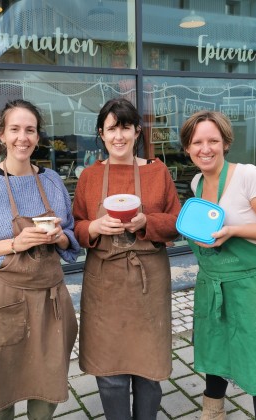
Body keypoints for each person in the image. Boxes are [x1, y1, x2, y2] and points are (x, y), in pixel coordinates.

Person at [0, 99, 80, 420]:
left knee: (46, 387)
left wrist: (59, 237)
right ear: (2, 135)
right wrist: (15, 243)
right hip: (0, 299)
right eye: (15, 129)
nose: (23, 137)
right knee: (2, 388)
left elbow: (72, 238)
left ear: (38, 137)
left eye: (30, 130)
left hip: (50, 300)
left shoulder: (52, 181)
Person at [179, 110, 256, 420]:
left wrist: (234, 230)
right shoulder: (196, 183)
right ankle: (213, 411)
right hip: (214, 284)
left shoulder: (248, 176)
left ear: (226, 143)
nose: (205, 149)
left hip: (254, 289)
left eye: (213, 141)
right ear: (187, 148)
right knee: (216, 348)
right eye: (197, 142)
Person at [72, 98, 181, 419]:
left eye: (125, 127)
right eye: (111, 129)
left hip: (149, 281)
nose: (118, 136)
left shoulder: (158, 172)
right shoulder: (89, 177)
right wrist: (94, 225)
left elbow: (177, 221)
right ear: (101, 135)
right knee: (110, 372)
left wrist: (148, 221)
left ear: (137, 131)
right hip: (104, 282)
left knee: (149, 369)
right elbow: (76, 225)